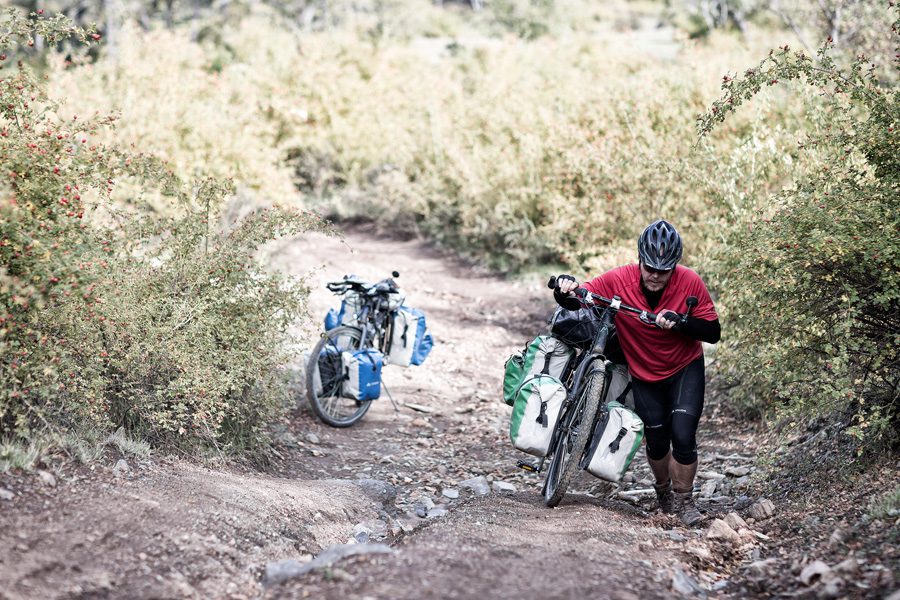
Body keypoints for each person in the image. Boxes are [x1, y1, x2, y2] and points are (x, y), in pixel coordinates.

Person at [553, 219, 720, 526]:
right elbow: (583, 297)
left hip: (684, 368)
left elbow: (712, 331)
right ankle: (663, 493)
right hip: (644, 374)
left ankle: (684, 500)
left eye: (664, 270)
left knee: (682, 436)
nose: (655, 275)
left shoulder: (690, 282)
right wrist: (565, 289)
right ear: (640, 260)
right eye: (650, 268)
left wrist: (681, 322)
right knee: (656, 441)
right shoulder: (620, 278)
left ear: (675, 267)